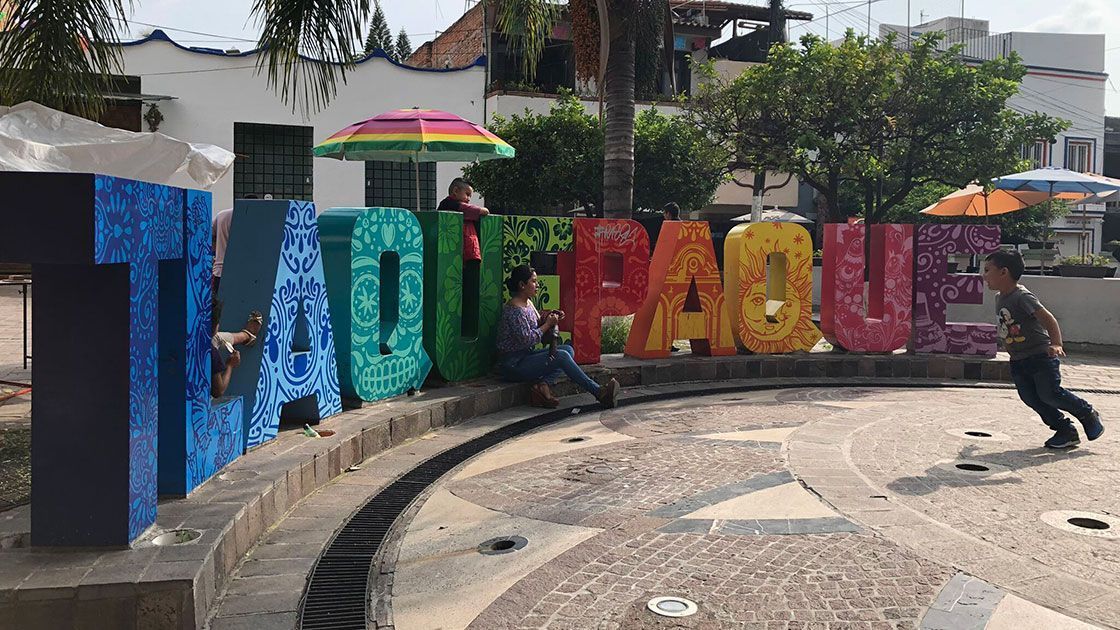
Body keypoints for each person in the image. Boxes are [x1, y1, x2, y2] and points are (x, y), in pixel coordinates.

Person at [982, 251, 1104, 448]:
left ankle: (1086, 413)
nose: (984, 275)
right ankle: (1065, 430)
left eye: (988, 270)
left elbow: (1049, 319)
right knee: (1030, 398)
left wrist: (1056, 344)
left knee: (1050, 394)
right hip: (1018, 360)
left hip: (1040, 357)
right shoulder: (999, 298)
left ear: (1004, 272)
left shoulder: (1022, 296)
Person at [497, 265, 620, 409]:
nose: (537, 285)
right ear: (522, 285)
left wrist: (550, 315)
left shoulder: (527, 303)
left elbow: (538, 321)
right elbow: (527, 339)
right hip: (513, 364)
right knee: (561, 356)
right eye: (534, 281)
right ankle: (599, 392)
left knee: (567, 350)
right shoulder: (514, 309)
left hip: (525, 356)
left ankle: (543, 385)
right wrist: (548, 324)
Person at [211, 299, 263, 398]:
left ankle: (247, 336)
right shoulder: (211, 352)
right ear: (215, 326)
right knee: (215, 338)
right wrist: (230, 365)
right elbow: (218, 391)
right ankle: (247, 336)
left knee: (215, 338)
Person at [212, 194, 258, 293]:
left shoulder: (222, 215)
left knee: (219, 305)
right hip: (244, 273)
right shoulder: (254, 219)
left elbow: (209, 235)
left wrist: (217, 250)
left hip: (220, 270)